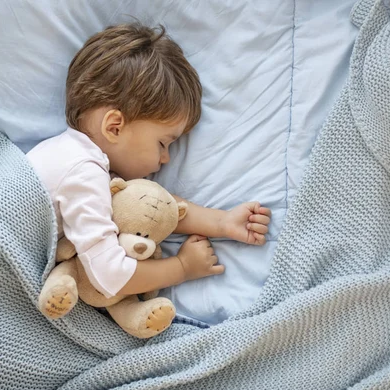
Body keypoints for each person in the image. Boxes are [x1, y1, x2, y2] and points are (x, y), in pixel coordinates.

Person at [26, 22, 271, 306]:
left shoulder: (74, 157)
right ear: (115, 127)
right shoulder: (83, 172)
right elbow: (108, 276)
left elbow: (153, 206)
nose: (165, 159)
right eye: (162, 143)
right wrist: (181, 268)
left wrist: (222, 222)